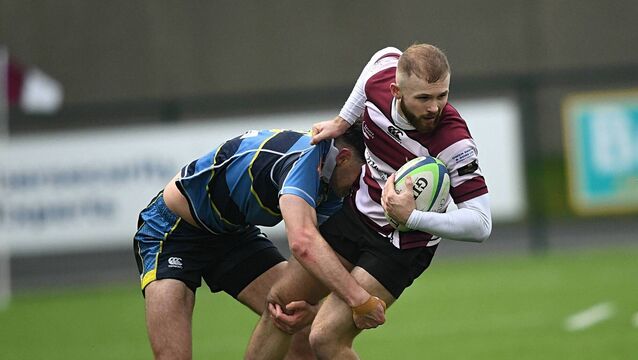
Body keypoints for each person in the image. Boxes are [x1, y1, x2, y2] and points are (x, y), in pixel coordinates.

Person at [245, 44, 492, 359]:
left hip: (401, 245)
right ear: (395, 90)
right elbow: (382, 55)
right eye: (424, 98)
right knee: (280, 305)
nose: (435, 108)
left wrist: (413, 217)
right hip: (355, 215)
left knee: (323, 338)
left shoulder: (453, 141)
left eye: (442, 95)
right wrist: (342, 120)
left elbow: (481, 223)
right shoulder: (379, 80)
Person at [133, 123, 384, 360]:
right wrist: (359, 300)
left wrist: (312, 309)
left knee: (298, 326)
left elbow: (317, 257)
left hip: (234, 235)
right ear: (343, 158)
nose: (363, 186)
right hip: (171, 233)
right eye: (363, 175)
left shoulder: (333, 184)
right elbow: (303, 243)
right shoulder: (304, 161)